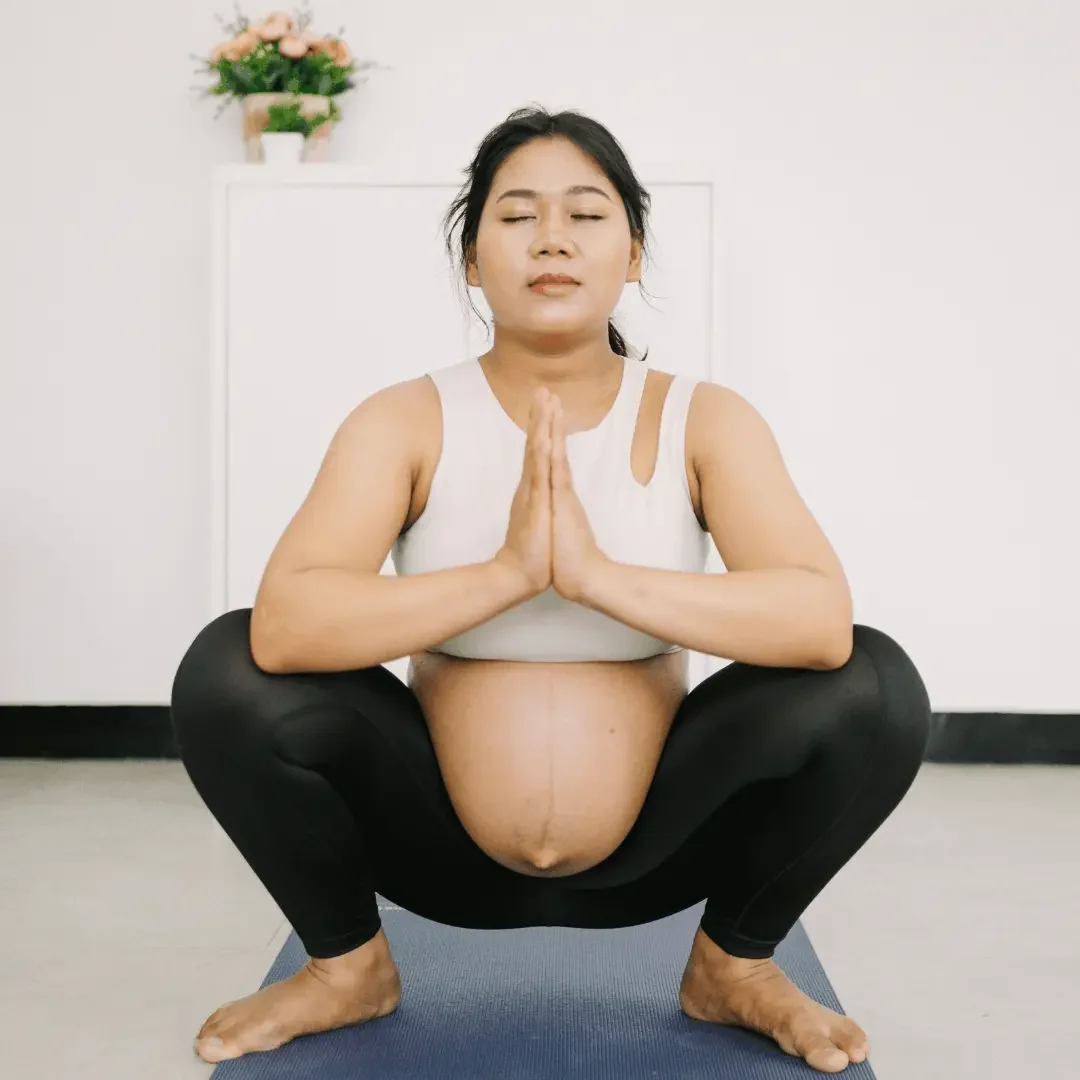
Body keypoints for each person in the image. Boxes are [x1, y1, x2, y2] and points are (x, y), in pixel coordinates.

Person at [170, 106, 931, 1073]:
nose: (554, 239)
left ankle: (733, 967)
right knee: (224, 668)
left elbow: (819, 622)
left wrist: (596, 579)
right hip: (434, 851)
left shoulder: (706, 420)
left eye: (587, 213)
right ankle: (346, 967)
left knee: (877, 685)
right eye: (518, 215)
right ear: (474, 261)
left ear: (636, 254)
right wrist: (507, 576)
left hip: (656, 853)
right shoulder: (404, 419)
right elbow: (284, 628)